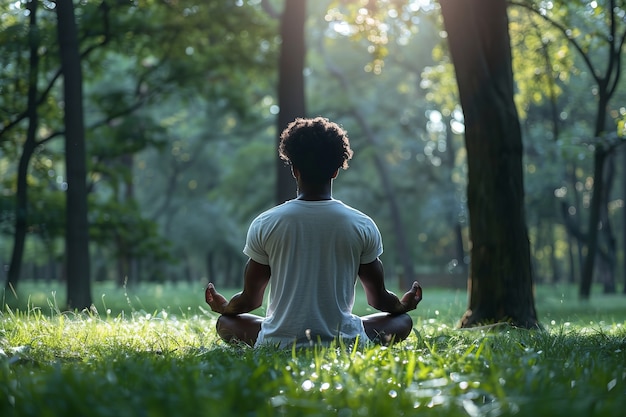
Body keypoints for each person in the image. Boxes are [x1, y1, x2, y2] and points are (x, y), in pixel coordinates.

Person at [205, 116, 422, 348]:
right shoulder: (362, 224)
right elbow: (378, 298)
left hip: (278, 340)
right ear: (336, 171)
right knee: (402, 321)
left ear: (294, 170)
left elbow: (250, 300)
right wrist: (401, 306)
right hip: (345, 340)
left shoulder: (266, 222)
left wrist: (226, 308)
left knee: (225, 323)